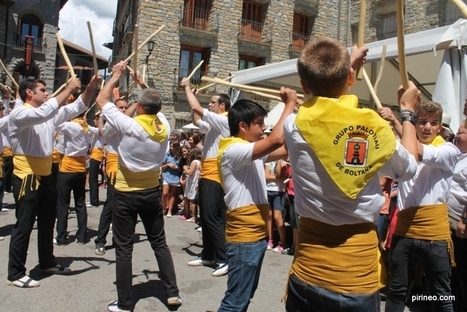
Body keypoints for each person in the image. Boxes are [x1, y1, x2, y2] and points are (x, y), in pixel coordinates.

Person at [283, 37, 420, 312]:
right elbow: (409, 167)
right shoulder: (374, 128)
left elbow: (326, 109)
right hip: (356, 279)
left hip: (306, 272)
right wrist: (407, 114)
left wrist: (348, 71)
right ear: (349, 78)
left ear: (303, 86)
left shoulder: (292, 124)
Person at [96, 62, 181, 311]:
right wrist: (143, 84)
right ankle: (172, 292)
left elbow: (102, 99)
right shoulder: (164, 126)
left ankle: (125, 302)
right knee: (159, 243)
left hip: (125, 193)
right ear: (158, 108)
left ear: (140, 107)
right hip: (151, 192)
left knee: (123, 248)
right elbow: (156, 106)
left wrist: (117, 75)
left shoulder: (130, 125)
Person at [7, 75, 98, 288]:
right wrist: (66, 89)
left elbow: (77, 106)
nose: (47, 92)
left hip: (47, 175)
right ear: (29, 93)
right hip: (26, 176)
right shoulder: (19, 113)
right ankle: (15, 273)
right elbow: (43, 111)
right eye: (42, 89)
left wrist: (91, 86)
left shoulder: (47, 116)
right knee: (24, 224)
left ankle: (47, 261)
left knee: (48, 221)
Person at [216, 89, 296, 311]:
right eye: (260, 123)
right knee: (235, 301)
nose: (263, 128)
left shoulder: (250, 151)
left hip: (255, 234)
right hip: (244, 236)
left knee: (244, 296)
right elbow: (276, 139)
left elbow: (285, 146)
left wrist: (296, 115)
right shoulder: (233, 150)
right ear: (243, 126)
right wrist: (288, 105)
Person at [385, 100, 459, 312]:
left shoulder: (449, 150)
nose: (427, 127)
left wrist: (404, 117)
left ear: (440, 128)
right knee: (397, 290)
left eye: (433, 123)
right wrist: (399, 123)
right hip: (405, 228)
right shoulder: (405, 147)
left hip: (433, 233)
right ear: (416, 125)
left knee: (440, 294)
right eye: (423, 121)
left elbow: (418, 152)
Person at [182, 77, 231, 277]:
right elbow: (196, 120)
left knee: (212, 218)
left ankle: (223, 259)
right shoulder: (215, 124)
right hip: (208, 174)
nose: (209, 105)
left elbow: (197, 108)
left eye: (212, 102)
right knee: (207, 217)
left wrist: (187, 88)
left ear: (222, 106)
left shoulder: (225, 120)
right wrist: (193, 99)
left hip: (215, 175)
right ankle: (208, 255)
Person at [54, 112, 98, 245]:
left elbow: (55, 122)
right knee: (80, 203)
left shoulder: (71, 125)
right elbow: (99, 131)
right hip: (81, 169)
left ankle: (61, 237)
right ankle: (82, 236)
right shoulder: (87, 127)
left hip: (67, 168)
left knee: (63, 204)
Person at [94, 98, 131, 255]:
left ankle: (118, 239)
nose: (123, 110)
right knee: (111, 203)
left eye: (125, 107)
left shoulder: (127, 122)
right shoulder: (113, 124)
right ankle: (100, 240)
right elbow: (105, 132)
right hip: (114, 167)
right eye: (120, 108)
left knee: (123, 206)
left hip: (126, 166)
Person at [448, 116, 467, 312]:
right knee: (451, 269)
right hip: (449, 219)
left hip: (460, 223)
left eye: (461, 132)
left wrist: (464, 220)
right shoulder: (459, 156)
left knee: (462, 270)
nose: (456, 135)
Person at [87, 112, 104, 208]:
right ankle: (93, 199)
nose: (94, 121)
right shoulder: (97, 131)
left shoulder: (100, 130)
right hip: (94, 154)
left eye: (96, 119)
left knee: (93, 179)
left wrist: (83, 121)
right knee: (92, 178)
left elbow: (89, 128)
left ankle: (94, 201)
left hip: (97, 155)